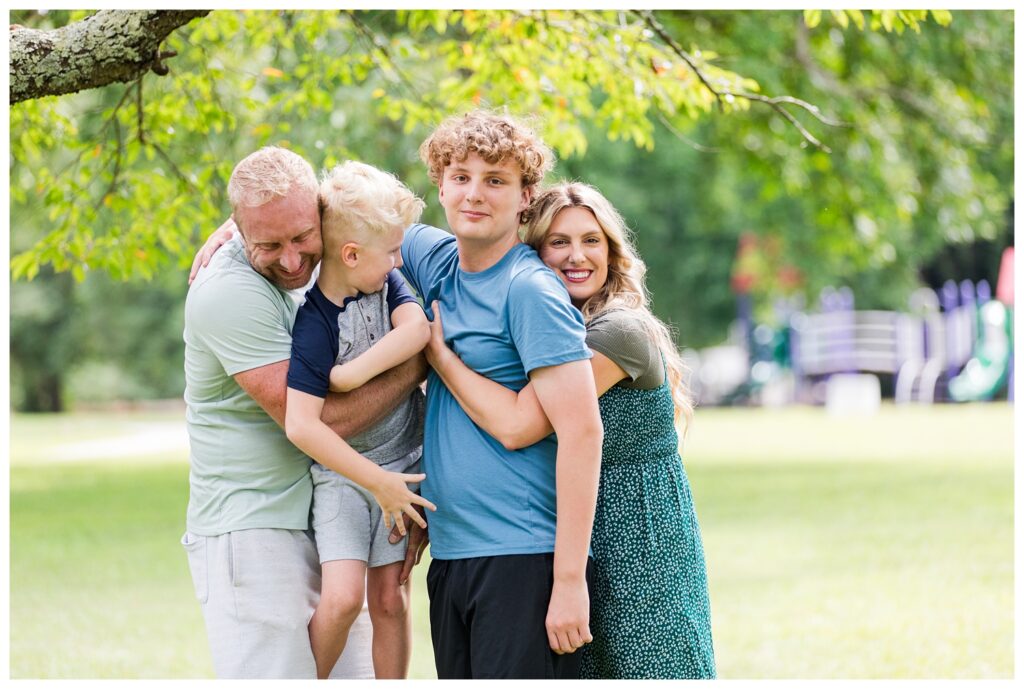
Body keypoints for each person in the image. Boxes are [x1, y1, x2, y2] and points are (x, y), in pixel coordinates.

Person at [424, 182, 716, 679]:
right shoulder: (553, 324)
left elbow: (519, 423)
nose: (576, 256)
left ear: (611, 250)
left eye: (591, 240)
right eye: (558, 242)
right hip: (577, 530)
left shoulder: (614, 333)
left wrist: (440, 356)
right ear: (534, 250)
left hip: (637, 542)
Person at [182, 146, 424, 679]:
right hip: (254, 529)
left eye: (300, 237)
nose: (291, 261)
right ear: (242, 233)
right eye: (268, 244)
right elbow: (320, 422)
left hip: (324, 510)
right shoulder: (228, 295)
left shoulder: (336, 262)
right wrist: (417, 366)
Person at [399, 111, 604, 679]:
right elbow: (345, 207)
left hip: (521, 560)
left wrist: (568, 582)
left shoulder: (530, 289)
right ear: (439, 185)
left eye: (496, 180)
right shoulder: (438, 262)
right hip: (454, 555)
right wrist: (235, 228)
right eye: (460, 176)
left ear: (525, 198)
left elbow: (583, 433)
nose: (474, 193)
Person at [284, 160, 433, 679]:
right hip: (345, 479)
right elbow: (301, 425)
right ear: (351, 254)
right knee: (344, 598)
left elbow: (418, 331)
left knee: (391, 600)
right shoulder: (314, 323)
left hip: (402, 464)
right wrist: (375, 483)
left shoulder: (387, 285)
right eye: (391, 249)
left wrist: (347, 379)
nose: (399, 258)